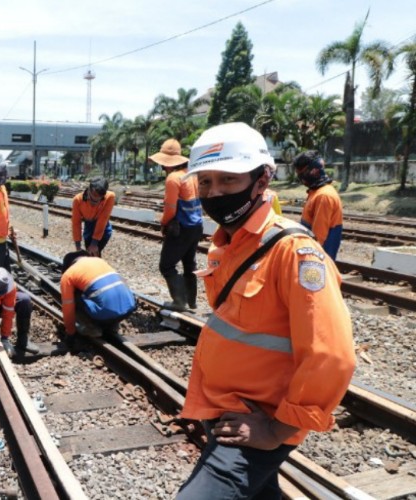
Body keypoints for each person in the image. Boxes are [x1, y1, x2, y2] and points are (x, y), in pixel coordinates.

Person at [176, 122, 355, 499]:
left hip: (257, 419)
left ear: (262, 180)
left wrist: (277, 431)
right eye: (205, 183)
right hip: (227, 408)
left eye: (228, 179)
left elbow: (332, 355)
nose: (215, 193)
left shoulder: (294, 252)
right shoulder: (228, 243)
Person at [150, 139, 203, 311]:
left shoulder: (173, 178)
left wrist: (163, 224)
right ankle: (192, 301)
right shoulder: (192, 174)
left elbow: (170, 209)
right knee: (189, 264)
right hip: (197, 226)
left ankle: (180, 301)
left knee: (166, 265)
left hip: (182, 228)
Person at [59, 251, 137, 351]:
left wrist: (70, 333)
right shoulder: (100, 261)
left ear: (68, 265)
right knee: (101, 292)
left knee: (74, 296)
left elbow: (68, 307)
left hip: (103, 313)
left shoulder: (68, 274)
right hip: (129, 308)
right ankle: (112, 325)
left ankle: (91, 327)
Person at [293, 150, 343, 260]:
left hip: (318, 260)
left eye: (301, 172)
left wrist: (309, 261)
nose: (300, 176)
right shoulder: (316, 192)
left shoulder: (323, 196)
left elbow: (318, 237)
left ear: (314, 170)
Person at [71, 177, 116, 257]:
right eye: (91, 199)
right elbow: (76, 223)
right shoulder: (78, 200)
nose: (93, 203)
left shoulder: (110, 197)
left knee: (93, 253)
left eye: (96, 201)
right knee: (90, 254)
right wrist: (78, 248)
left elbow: (103, 219)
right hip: (89, 227)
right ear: (88, 190)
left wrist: (94, 243)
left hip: (103, 229)